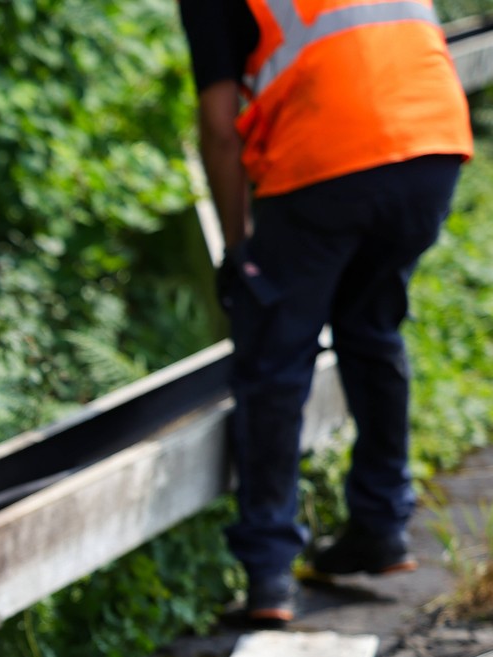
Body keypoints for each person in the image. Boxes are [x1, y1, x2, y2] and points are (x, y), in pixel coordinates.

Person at [179, 0, 472, 623]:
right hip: (433, 145)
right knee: (371, 326)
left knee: (275, 357)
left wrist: (238, 251)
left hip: (327, 154)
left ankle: (268, 572)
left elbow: (220, 128)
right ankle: (380, 525)